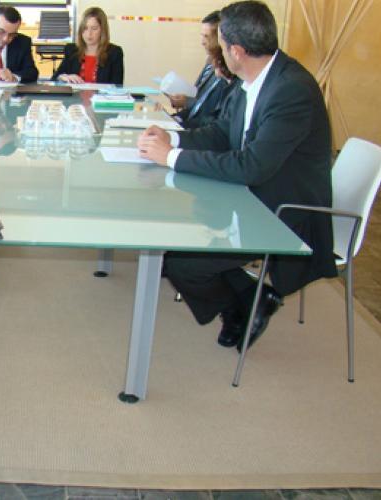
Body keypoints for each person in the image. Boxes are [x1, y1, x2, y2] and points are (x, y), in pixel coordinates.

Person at [137, 0, 337, 351]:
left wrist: (170, 157)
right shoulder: (257, 79)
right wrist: (174, 139)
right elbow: (221, 133)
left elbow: (251, 166)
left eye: (222, 44)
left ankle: (241, 306)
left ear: (237, 51)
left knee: (183, 265)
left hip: (285, 212)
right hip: (252, 195)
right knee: (176, 245)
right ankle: (254, 299)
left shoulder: (292, 90)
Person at [167, 11, 230, 129]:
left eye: (206, 37)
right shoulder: (210, 63)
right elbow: (197, 102)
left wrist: (187, 102)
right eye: (202, 36)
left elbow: (212, 113)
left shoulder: (229, 73)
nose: (202, 42)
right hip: (192, 127)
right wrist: (174, 119)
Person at [51, 7, 124, 86]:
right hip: (76, 94)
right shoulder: (71, 50)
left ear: (102, 30)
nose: (89, 33)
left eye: (94, 28)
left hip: (101, 94)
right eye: (85, 28)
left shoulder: (114, 53)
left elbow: (117, 86)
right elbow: (54, 78)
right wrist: (63, 77)